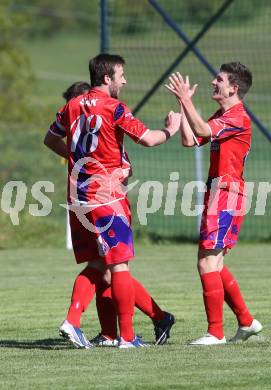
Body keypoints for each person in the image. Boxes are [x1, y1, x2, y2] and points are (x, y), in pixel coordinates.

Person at [44, 53, 180, 348]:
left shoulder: (71, 105)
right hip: (106, 196)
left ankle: (84, 325)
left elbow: (50, 139)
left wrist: (79, 160)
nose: (124, 80)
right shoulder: (114, 108)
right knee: (119, 266)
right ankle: (127, 338)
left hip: (78, 196)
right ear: (107, 78)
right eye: (121, 75)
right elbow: (147, 139)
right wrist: (171, 128)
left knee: (97, 265)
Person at [166, 62, 262, 345]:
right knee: (213, 263)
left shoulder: (238, 117)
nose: (213, 82)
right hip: (218, 192)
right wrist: (183, 107)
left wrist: (186, 100)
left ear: (234, 87)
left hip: (227, 192)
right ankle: (246, 321)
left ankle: (215, 333)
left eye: (219, 79)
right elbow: (190, 139)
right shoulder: (223, 114)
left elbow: (204, 129)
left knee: (207, 262)